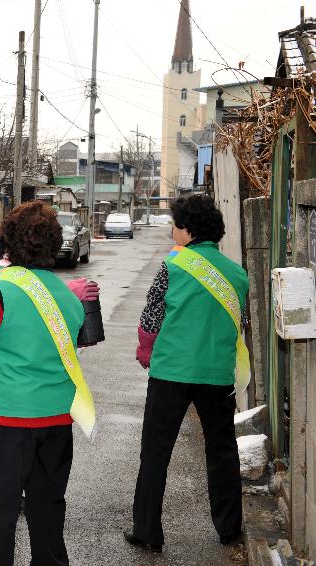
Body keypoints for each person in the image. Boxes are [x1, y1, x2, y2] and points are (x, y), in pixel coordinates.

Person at [0, 201, 90, 566]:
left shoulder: (0, 291)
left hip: (10, 423)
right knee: (48, 509)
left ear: (8, 244)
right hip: (58, 421)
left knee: (0, 513)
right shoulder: (65, 297)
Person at [124, 194, 248, 553]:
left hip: (172, 372)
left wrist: (145, 350)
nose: (172, 233)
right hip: (217, 374)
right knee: (222, 449)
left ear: (189, 230)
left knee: (156, 451)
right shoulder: (237, 274)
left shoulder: (174, 265)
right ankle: (229, 528)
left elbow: (151, 316)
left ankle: (147, 531)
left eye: (176, 226)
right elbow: (238, 323)